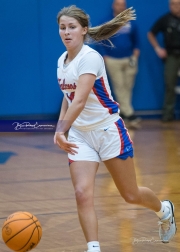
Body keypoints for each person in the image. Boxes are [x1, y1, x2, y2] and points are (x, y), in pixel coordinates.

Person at [54, 5, 176, 252]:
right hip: (81, 135)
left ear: (84, 30)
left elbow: (80, 99)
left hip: (108, 130)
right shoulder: (61, 60)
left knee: (130, 195)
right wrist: (62, 129)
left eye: (72, 27)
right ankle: (94, 248)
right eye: (62, 27)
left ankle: (164, 210)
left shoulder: (91, 57)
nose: (66, 32)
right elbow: (68, 100)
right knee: (81, 193)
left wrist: (59, 131)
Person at [95, 0, 141, 129]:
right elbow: (99, 39)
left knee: (128, 87)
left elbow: (137, 42)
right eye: (118, 4)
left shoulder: (131, 22)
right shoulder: (107, 22)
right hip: (113, 60)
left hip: (129, 60)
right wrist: (105, 57)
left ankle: (124, 114)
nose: (120, 7)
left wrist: (135, 56)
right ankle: (130, 113)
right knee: (119, 86)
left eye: (123, 5)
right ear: (113, 6)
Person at [148, 0, 180, 122]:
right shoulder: (165, 19)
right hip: (171, 55)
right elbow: (151, 34)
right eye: (172, 4)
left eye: (177, 4)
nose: (174, 6)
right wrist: (158, 49)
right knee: (169, 84)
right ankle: (168, 114)